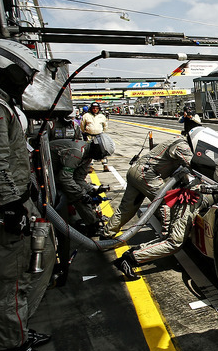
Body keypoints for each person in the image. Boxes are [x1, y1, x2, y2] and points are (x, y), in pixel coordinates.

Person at [0, 38, 57, 351]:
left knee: (36, 262)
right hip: (5, 210)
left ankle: (19, 331)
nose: (27, 81)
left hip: (17, 201)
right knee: (9, 283)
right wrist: (10, 205)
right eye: (24, 73)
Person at [101, 134, 194, 278]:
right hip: (147, 174)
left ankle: (105, 237)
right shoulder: (183, 146)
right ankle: (166, 237)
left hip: (136, 171)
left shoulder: (176, 141)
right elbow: (193, 164)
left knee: (126, 209)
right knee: (169, 201)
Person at [50, 134, 116, 236]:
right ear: (97, 148)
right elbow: (65, 178)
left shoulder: (87, 156)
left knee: (83, 193)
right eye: (102, 154)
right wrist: (82, 195)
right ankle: (92, 225)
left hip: (58, 174)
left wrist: (91, 190)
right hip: (49, 175)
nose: (101, 158)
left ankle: (91, 220)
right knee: (78, 197)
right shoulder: (77, 152)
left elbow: (78, 178)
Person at [80, 102, 109, 170]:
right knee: (90, 151)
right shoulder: (86, 116)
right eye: (93, 108)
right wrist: (86, 132)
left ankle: (105, 165)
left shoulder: (102, 116)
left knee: (102, 150)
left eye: (97, 108)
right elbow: (82, 126)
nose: (95, 109)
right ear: (91, 109)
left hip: (99, 136)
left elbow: (105, 126)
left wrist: (102, 132)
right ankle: (90, 166)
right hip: (89, 136)